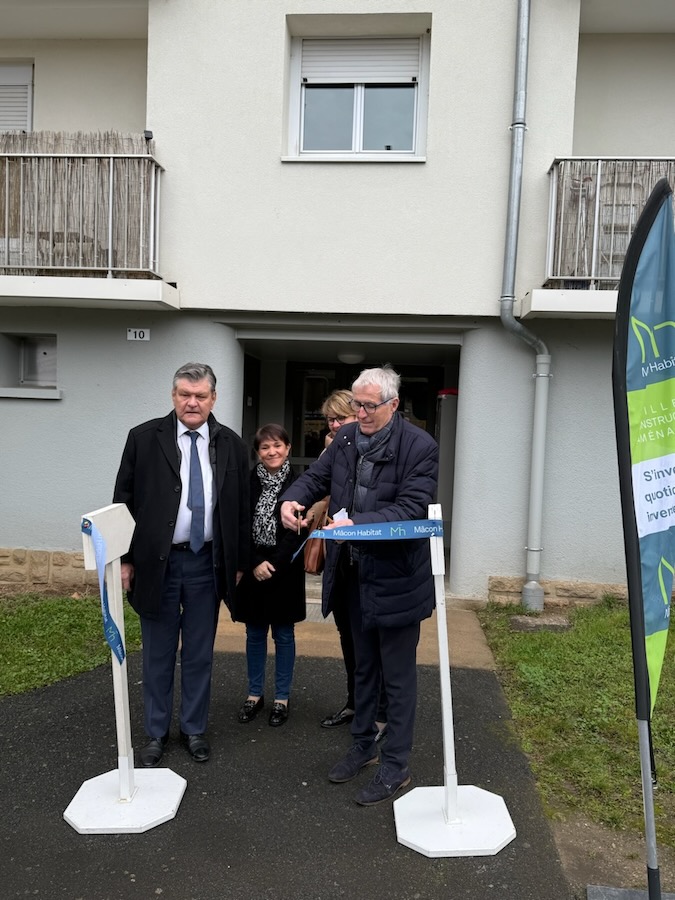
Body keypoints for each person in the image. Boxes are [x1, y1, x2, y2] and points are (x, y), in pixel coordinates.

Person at [280, 365, 438, 806]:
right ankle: (363, 744)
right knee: (363, 668)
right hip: (352, 575)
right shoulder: (347, 439)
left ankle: (396, 765)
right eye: (357, 404)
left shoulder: (420, 446)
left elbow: (411, 508)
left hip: (397, 579)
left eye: (369, 406)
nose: (361, 413)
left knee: (398, 678)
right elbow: (317, 477)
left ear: (393, 404)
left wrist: (356, 525)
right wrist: (293, 498)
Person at [113, 362, 250, 767]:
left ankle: (193, 728)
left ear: (213, 398)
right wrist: (125, 560)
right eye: (185, 395)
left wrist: (238, 563)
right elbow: (123, 501)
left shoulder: (232, 445)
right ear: (173, 396)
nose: (192, 402)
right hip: (157, 564)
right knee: (157, 652)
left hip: (207, 563)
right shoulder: (143, 439)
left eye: (200, 396)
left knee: (199, 652)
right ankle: (156, 732)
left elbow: (240, 509)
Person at [233, 424, 305, 727]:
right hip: (254, 567)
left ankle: (281, 698)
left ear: (288, 448)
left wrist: (272, 565)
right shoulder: (247, 483)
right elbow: (239, 524)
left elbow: (298, 532)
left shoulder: (299, 484)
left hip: (285, 569)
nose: (271, 452)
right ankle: (254, 694)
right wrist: (254, 563)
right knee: (254, 633)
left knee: (284, 635)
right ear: (257, 452)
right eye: (265, 447)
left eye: (277, 445)